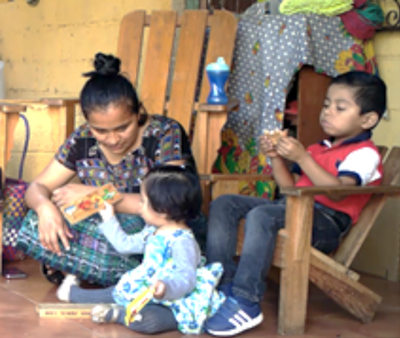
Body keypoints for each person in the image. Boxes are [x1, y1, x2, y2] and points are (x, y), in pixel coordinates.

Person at [204, 70, 387, 336]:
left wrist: (302, 159)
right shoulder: (317, 148)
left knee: (263, 216)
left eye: (340, 107)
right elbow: (290, 189)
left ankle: (246, 300)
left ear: (368, 119)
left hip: (324, 225)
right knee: (224, 203)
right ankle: (221, 282)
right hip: (292, 210)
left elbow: (338, 193)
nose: (328, 112)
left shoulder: (364, 155)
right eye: (326, 104)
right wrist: (276, 158)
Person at [16, 52, 206, 286]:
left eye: (122, 127)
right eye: (101, 131)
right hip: (109, 225)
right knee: (36, 220)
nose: (113, 139)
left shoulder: (164, 133)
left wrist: (97, 197)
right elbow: (37, 187)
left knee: (119, 230)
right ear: (88, 123)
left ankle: (91, 267)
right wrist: (45, 208)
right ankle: (107, 270)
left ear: (138, 113)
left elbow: (172, 205)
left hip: (160, 232)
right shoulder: (82, 140)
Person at [56, 165, 225, 335]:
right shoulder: (152, 231)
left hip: (173, 300)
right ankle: (72, 293)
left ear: (163, 211)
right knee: (114, 292)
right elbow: (125, 245)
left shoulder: (183, 242)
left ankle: (119, 315)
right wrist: (109, 218)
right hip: (145, 289)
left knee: (151, 320)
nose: (139, 207)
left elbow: (186, 278)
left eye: (143, 202)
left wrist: (166, 288)